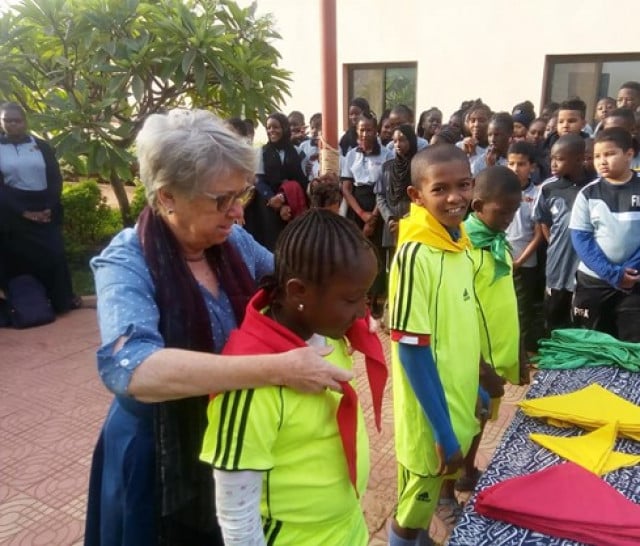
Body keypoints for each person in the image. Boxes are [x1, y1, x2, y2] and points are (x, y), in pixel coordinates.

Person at [84, 109, 350, 546]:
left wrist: (346, 303)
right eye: (219, 200)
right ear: (167, 196)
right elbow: (132, 370)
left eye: (240, 196)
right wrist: (277, 368)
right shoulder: (127, 260)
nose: (236, 212)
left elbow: (291, 283)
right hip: (157, 450)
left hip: (228, 439)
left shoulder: (231, 241)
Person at [201, 209, 387, 545]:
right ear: (299, 292)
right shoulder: (251, 381)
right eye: (351, 299)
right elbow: (236, 513)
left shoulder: (326, 333)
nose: (363, 311)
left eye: (365, 296)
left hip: (345, 526)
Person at [387, 144, 480, 545]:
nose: (455, 197)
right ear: (416, 196)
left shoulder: (459, 244)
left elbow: (457, 331)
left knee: (419, 510)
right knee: (409, 516)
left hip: (455, 400)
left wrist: (474, 384)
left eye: (463, 185)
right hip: (431, 420)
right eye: (440, 189)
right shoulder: (415, 255)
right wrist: (442, 430)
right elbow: (412, 347)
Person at [460, 165, 525, 494]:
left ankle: (467, 470)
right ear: (478, 206)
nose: (509, 219)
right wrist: (478, 365)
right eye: (503, 211)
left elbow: (505, 301)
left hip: (496, 357)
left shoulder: (499, 242)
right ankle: (445, 489)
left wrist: (517, 351)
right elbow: (458, 313)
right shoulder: (462, 250)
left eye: (515, 211)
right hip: (472, 362)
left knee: (481, 418)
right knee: (463, 422)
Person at [0, 101, 80, 314]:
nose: (12, 124)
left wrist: (48, 208)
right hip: (12, 212)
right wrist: (23, 212)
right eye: (7, 120)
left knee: (54, 254)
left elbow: (55, 178)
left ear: (25, 122)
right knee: (17, 259)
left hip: (45, 208)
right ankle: (29, 305)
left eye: (16, 120)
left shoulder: (41, 146)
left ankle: (61, 301)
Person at [570, 127, 640, 342]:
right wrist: (613, 274)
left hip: (635, 284)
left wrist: (631, 270)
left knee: (632, 345)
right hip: (594, 283)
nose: (602, 161)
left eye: (609, 154)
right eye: (597, 156)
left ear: (629, 154)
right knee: (592, 344)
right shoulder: (588, 194)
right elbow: (581, 239)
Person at [533, 134, 592, 333]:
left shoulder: (595, 187)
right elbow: (543, 221)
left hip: (585, 268)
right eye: (552, 158)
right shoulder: (549, 188)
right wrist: (555, 243)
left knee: (580, 323)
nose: (553, 164)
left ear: (578, 158)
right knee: (553, 319)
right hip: (557, 266)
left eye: (559, 159)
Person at [341, 111, 392, 316]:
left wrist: (373, 217)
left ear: (376, 130)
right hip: (357, 207)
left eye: (369, 129)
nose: (365, 133)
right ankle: (359, 296)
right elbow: (346, 188)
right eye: (361, 129)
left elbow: (385, 187)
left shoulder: (387, 154)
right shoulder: (351, 154)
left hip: (378, 205)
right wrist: (362, 214)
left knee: (377, 254)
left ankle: (376, 298)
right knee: (357, 252)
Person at [244, 112, 307, 251]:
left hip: (292, 202)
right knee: (271, 242)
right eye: (269, 127)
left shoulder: (297, 152)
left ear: (284, 128)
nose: (272, 131)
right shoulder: (261, 152)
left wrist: (284, 198)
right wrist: (273, 199)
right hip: (268, 204)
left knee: (292, 242)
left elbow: (301, 179)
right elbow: (259, 180)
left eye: (276, 127)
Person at [505, 142, 544, 351]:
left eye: (521, 164)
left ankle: (521, 352)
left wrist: (519, 261)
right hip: (501, 260)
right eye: (511, 163)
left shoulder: (537, 194)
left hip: (525, 263)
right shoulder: (500, 190)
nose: (515, 169)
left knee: (522, 310)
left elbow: (538, 234)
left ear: (532, 167)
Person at [376, 124, 418, 268]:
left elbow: (423, 198)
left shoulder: (419, 167)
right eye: (395, 141)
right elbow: (380, 196)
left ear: (411, 141)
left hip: (414, 225)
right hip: (392, 226)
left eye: (402, 140)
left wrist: (405, 222)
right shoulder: (387, 167)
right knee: (393, 268)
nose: (398, 144)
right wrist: (389, 218)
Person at [458, 101, 491, 166]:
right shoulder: (459, 147)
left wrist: (473, 155)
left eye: (481, 120)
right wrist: (463, 154)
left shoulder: (493, 149)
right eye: (473, 121)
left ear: (490, 122)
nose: (476, 124)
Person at [299, 112, 322, 181]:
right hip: (309, 182)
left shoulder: (332, 146)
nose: (314, 131)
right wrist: (305, 168)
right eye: (312, 128)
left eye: (318, 127)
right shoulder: (303, 146)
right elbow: (299, 164)